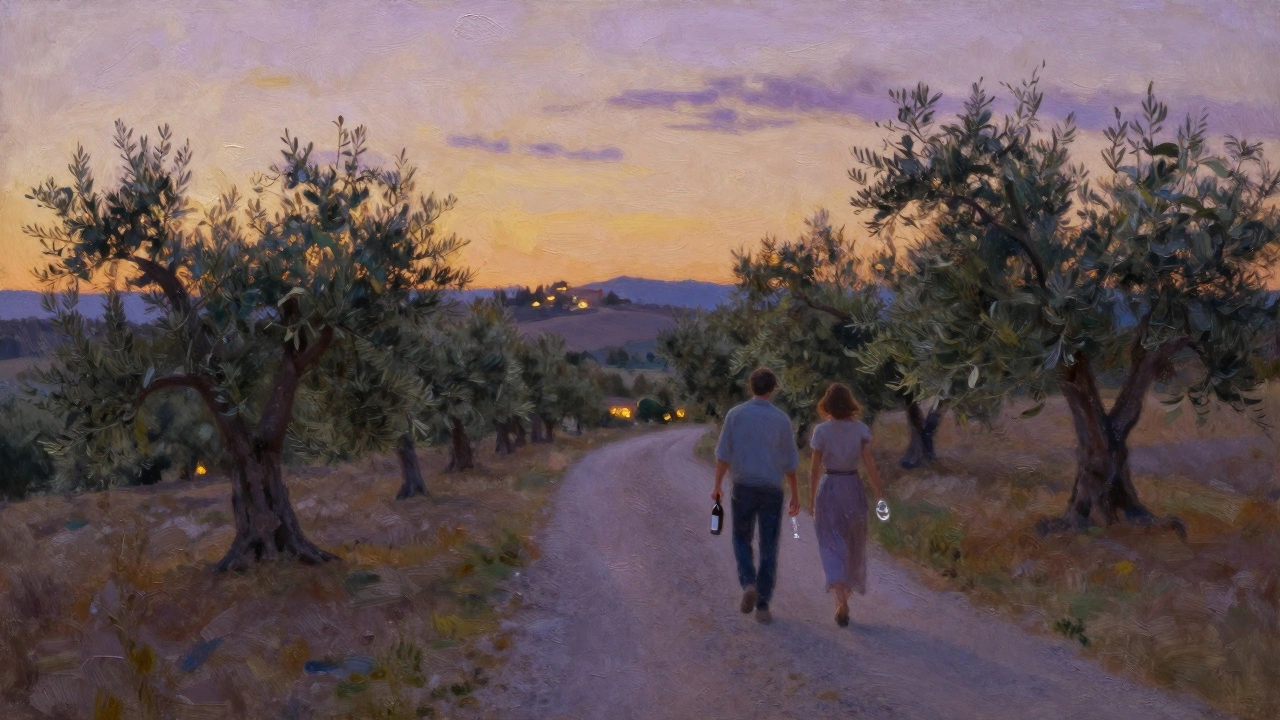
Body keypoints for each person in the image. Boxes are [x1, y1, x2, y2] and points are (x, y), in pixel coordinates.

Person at [712, 368, 801, 624]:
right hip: (772, 490)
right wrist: (795, 494)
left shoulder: (735, 415)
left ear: (751, 387)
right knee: (769, 546)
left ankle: (748, 582)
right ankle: (762, 605)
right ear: (772, 389)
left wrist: (717, 484)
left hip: (743, 487)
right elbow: (790, 463)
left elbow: (723, 454)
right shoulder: (782, 420)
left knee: (741, 539)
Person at [806, 382, 884, 628]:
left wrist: (810, 498)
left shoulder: (821, 431)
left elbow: (814, 468)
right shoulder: (860, 429)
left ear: (827, 405)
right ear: (850, 404)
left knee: (831, 543)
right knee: (853, 544)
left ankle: (840, 600)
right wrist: (879, 493)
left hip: (829, 488)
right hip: (853, 487)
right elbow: (870, 465)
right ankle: (844, 597)